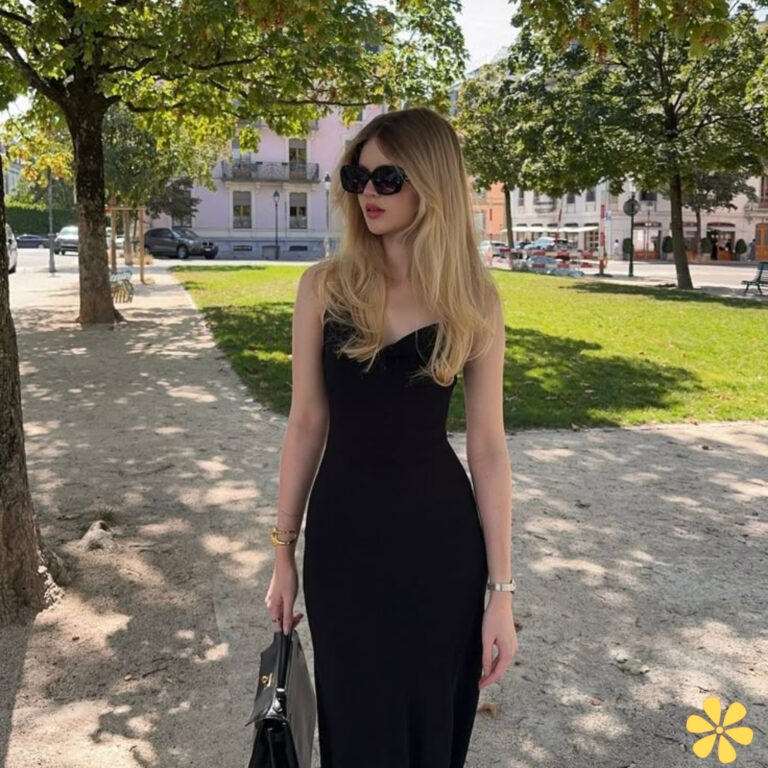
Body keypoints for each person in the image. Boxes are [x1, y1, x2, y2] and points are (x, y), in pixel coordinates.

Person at [264, 107, 518, 768]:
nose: (366, 193)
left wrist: (502, 594)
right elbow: (306, 423)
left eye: (387, 178)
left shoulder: (474, 300)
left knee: (433, 723)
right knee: (355, 726)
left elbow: (489, 450)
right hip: (345, 547)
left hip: (443, 552)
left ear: (431, 182)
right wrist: (282, 554)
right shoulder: (323, 288)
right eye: (357, 177)